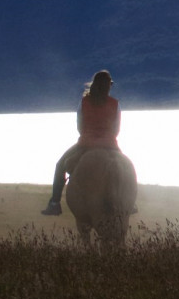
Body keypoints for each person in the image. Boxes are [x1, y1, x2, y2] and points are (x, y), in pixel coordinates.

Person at [40, 70, 120, 215]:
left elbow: (79, 126)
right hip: (110, 145)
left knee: (60, 165)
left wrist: (89, 136)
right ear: (108, 86)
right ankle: (130, 203)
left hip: (86, 144)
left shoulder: (84, 103)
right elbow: (116, 129)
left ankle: (55, 203)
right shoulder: (115, 104)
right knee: (126, 168)